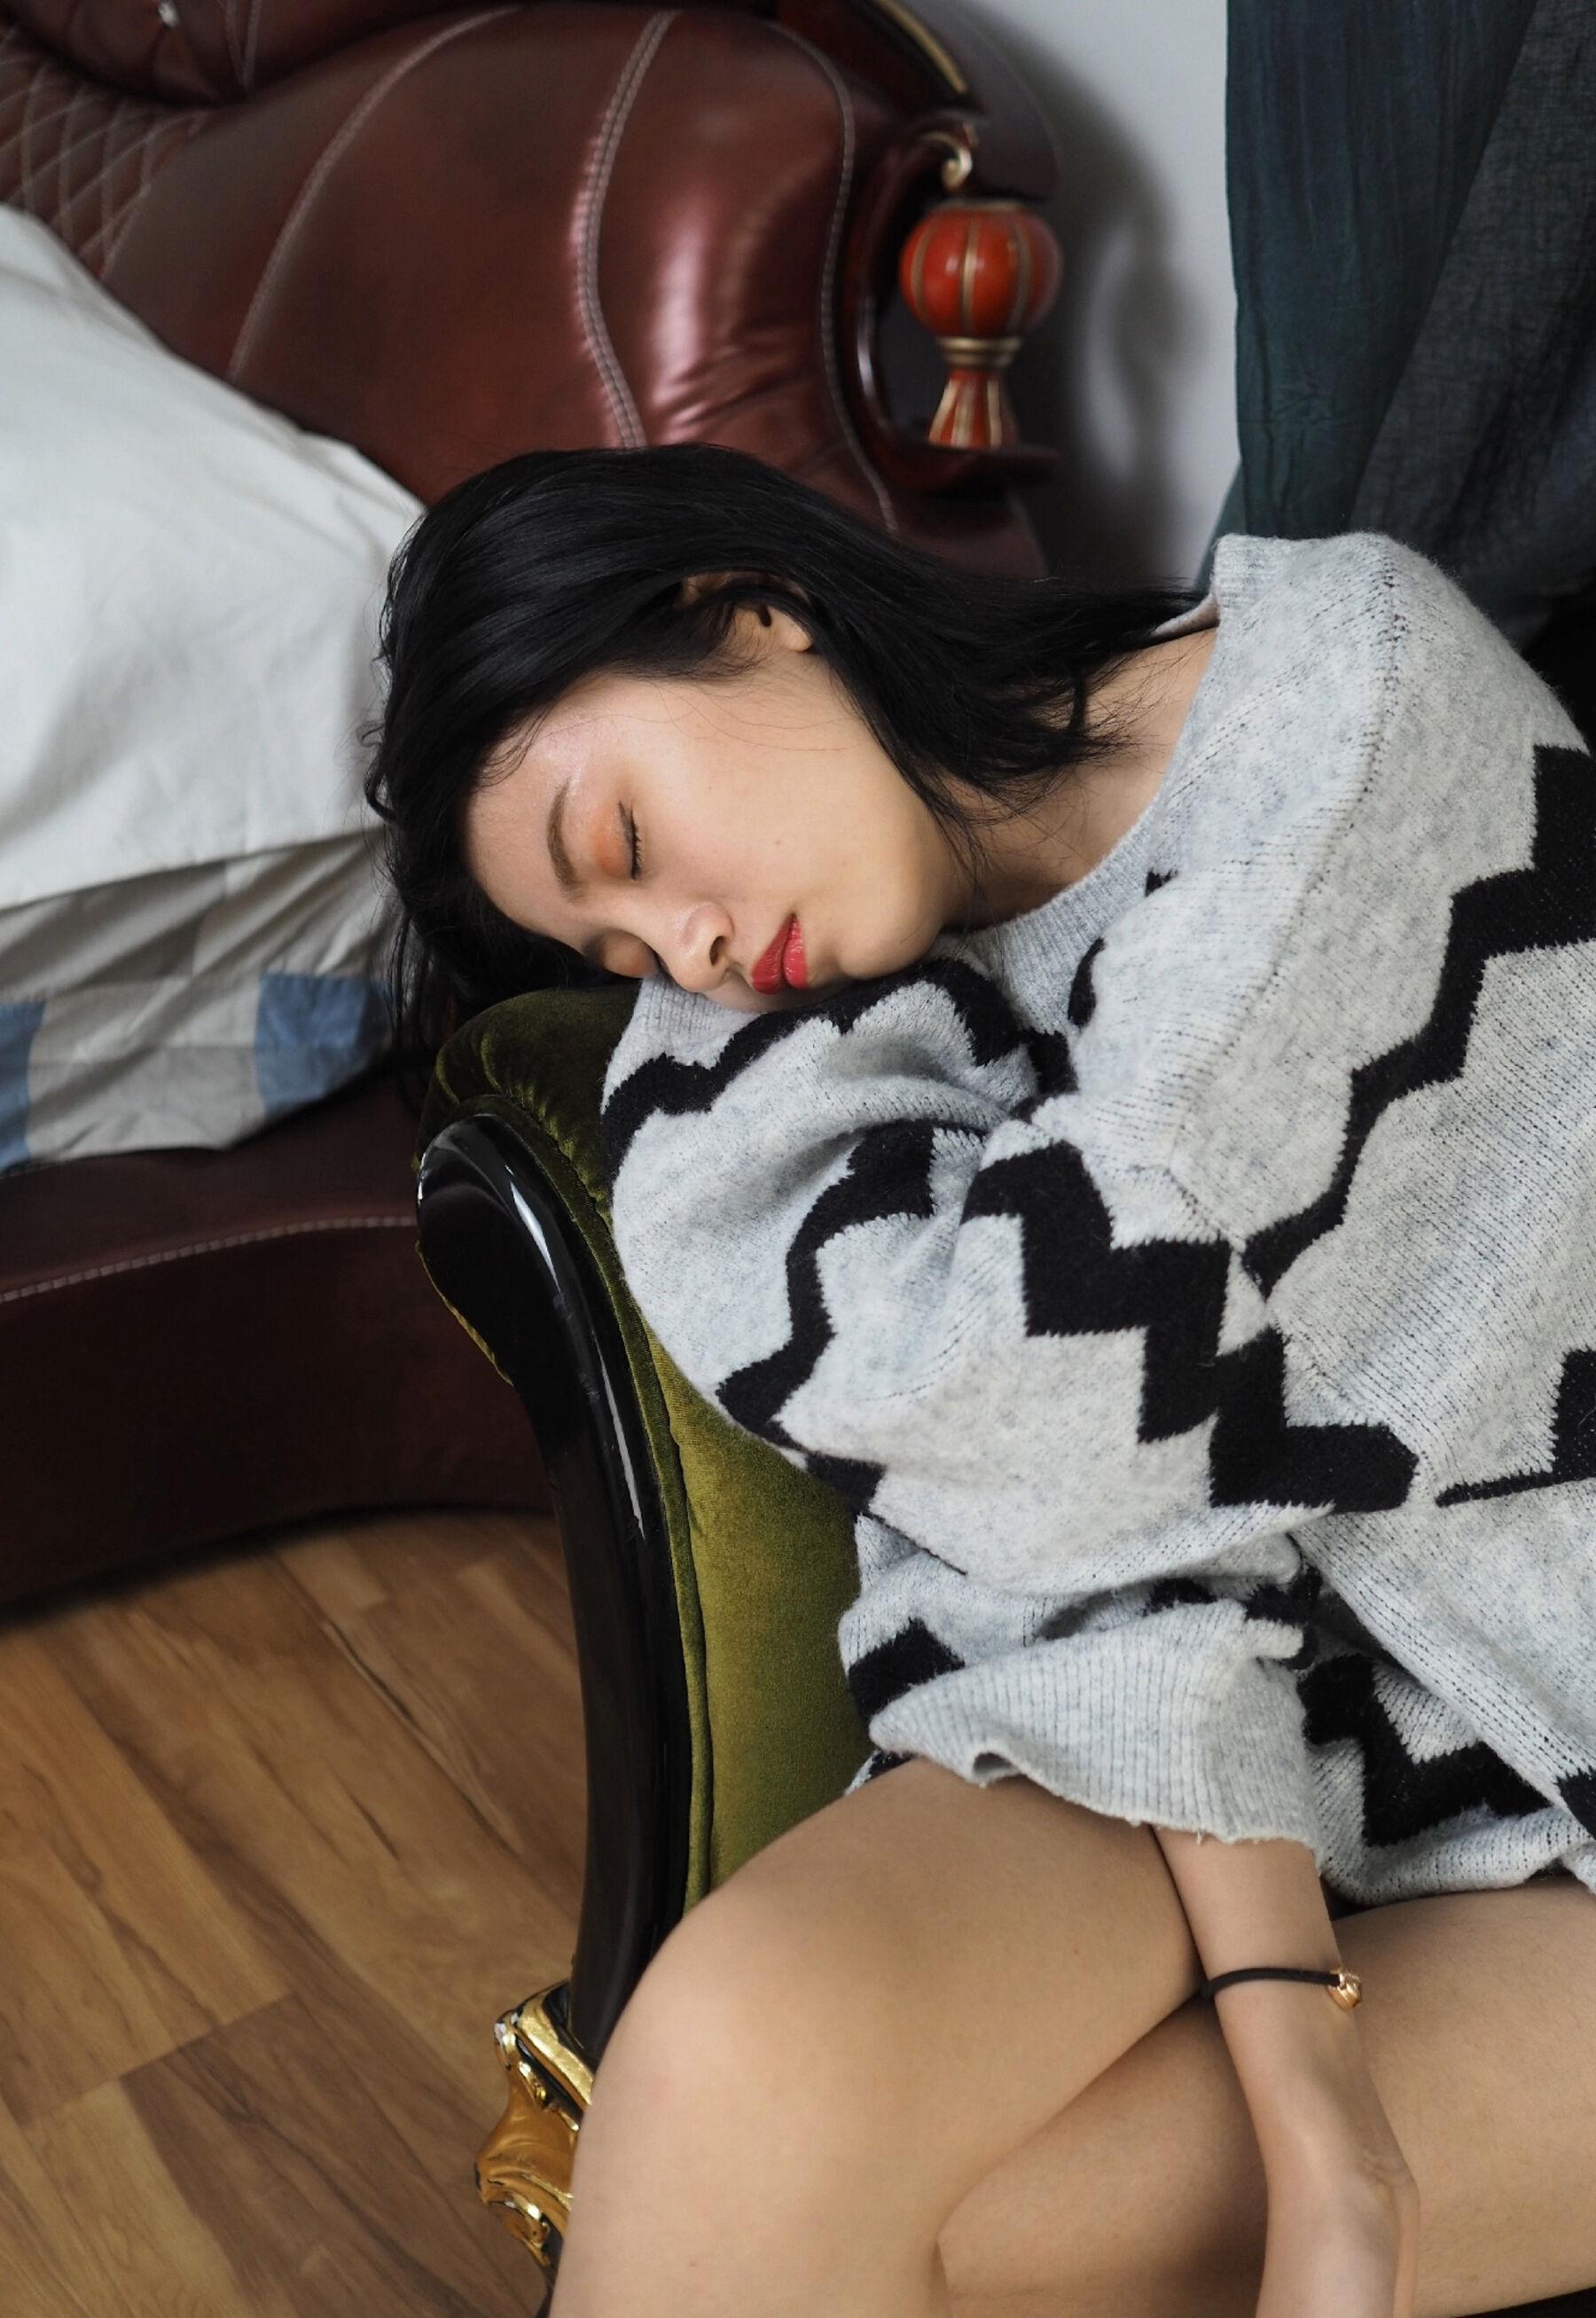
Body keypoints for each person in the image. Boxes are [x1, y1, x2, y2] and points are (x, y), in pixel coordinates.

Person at [364, 442, 1596, 2318]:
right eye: (611, 946)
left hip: (1553, 1704)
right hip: (1234, 1737)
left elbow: (1090, 1391)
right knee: (740, 2081)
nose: (687, 949)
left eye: (625, 844)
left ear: (745, 609)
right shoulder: (788, 1051)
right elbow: (1078, 1474)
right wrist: (1310, 2082)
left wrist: (1321, 2113)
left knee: (983, 2239)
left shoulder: (1347, 688)